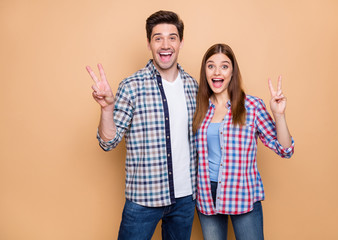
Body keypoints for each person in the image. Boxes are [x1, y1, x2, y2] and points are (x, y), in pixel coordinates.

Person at [86, 10, 198, 240]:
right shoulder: (131, 86)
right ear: (149, 44)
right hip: (144, 199)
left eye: (172, 37)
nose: (165, 44)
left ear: (181, 42)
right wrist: (106, 109)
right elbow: (108, 142)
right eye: (158, 38)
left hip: (186, 198)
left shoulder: (193, 87)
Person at [193, 43, 295, 240]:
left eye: (224, 66)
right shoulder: (199, 109)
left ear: (232, 72)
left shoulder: (252, 106)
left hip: (242, 192)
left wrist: (279, 115)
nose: (217, 71)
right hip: (207, 193)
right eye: (211, 65)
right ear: (205, 71)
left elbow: (285, 150)